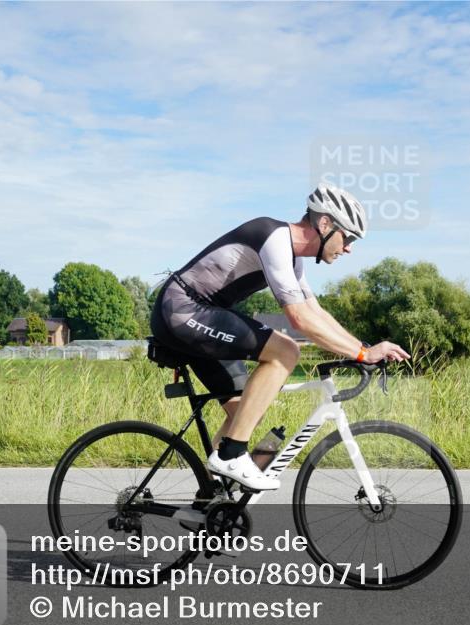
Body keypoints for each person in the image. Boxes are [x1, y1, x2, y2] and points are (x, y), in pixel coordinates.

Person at [149, 183, 410, 491]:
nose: (349, 247)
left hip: (201, 316)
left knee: (246, 412)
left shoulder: (293, 259)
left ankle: (210, 501)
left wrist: (363, 348)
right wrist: (363, 355)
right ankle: (232, 456)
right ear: (325, 224)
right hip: (181, 310)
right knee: (285, 352)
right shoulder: (273, 238)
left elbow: (316, 313)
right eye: (348, 237)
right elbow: (299, 320)